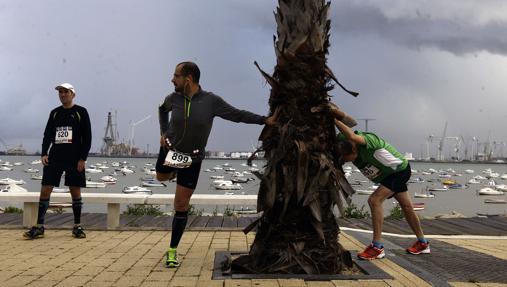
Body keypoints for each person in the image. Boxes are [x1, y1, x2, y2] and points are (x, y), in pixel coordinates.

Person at [157, 61, 276, 267]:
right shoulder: (172, 98)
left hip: (191, 159)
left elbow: (237, 115)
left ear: (189, 79)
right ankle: (172, 173)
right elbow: (161, 109)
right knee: (160, 177)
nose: (172, 79)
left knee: (181, 205)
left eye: (176, 76)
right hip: (169, 150)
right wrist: (163, 131)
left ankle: (172, 250)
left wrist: (264, 120)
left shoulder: (211, 101)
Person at [328, 103, 429, 260]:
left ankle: (377, 247)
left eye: (346, 159)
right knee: (407, 207)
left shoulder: (368, 141)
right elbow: (346, 128)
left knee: (374, 200)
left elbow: (353, 135)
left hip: (399, 171)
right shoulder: (343, 142)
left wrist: (332, 116)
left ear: (354, 150)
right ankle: (423, 243)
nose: (345, 162)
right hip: (388, 175)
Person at [23, 83, 92, 240]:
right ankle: (39, 226)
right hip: (55, 157)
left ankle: (77, 226)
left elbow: (87, 137)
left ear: (73, 94)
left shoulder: (81, 112)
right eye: (60, 92)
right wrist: (44, 153)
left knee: (75, 190)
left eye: (66, 92)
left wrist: (83, 158)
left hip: (74, 158)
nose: (62, 94)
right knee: (46, 188)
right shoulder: (54, 113)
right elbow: (47, 134)